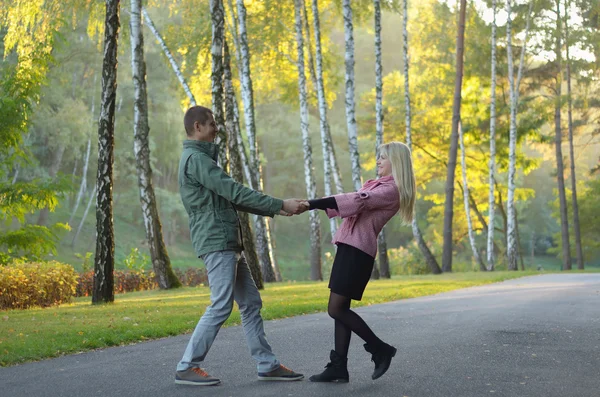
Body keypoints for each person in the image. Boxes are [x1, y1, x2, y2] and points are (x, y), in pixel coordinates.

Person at [175, 105, 306, 386]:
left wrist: (278, 209)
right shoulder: (196, 159)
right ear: (197, 127)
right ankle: (187, 366)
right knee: (221, 305)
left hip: (227, 240)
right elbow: (233, 190)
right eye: (211, 123)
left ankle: (267, 364)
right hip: (217, 241)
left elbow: (231, 199)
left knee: (250, 302)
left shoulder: (200, 159)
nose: (216, 128)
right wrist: (280, 203)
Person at [305, 141, 416, 383]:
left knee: (336, 308)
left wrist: (310, 204)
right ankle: (338, 367)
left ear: (396, 162)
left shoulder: (391, 190)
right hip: (350, 248)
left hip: (358, 252)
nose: (378, 161)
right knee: (340, 309)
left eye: (383, 157)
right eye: (378, 156)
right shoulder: (380, 185)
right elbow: (355, 202)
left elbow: (356, 200)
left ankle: (380, 349)